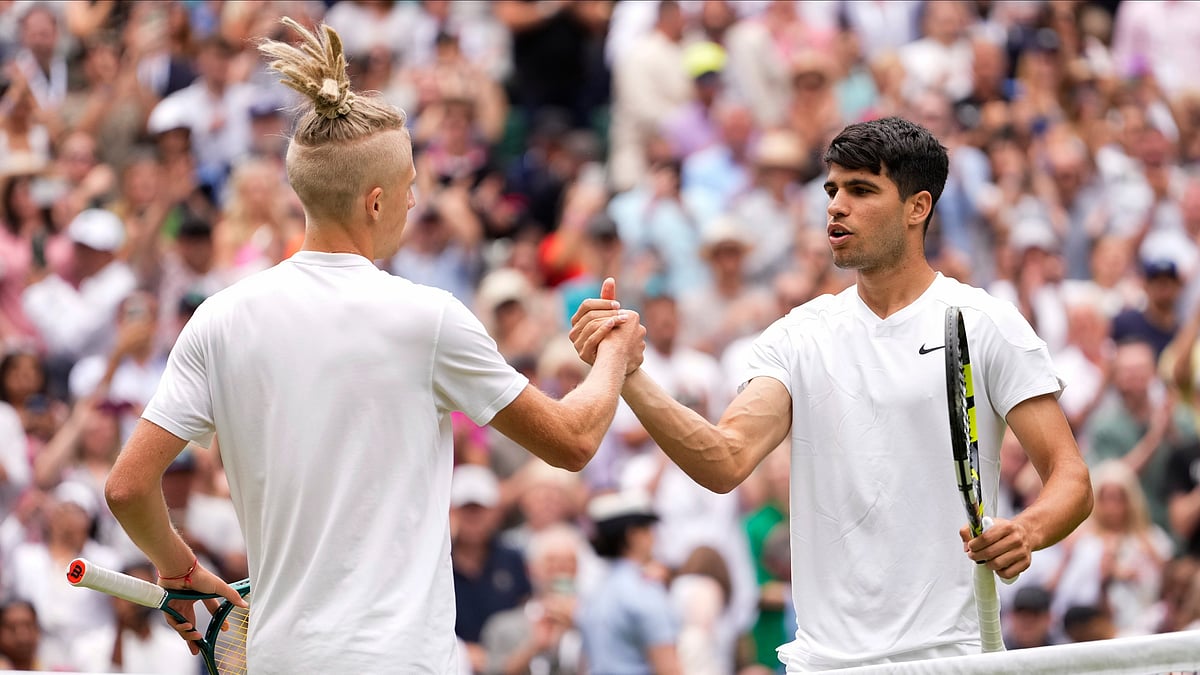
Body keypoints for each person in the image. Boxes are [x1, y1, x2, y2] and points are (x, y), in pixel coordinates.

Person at [102, 18, 645, 675]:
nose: (417, 200)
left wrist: (178, 567)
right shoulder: (428, 317)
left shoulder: (220, 319)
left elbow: (129, 486)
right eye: (412, 184)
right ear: (378, 199)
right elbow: (575, 439)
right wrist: (615, 349)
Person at [570, 117, 1093, 670]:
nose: (836, 206)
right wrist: (629, 375)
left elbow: (1072, 478)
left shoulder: (986, 322)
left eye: (861, 190)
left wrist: (1026, 530)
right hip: (824, 663)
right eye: (832, 190)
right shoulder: (798, 334)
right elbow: (725, 460)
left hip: (951, 658)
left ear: (918, 208)